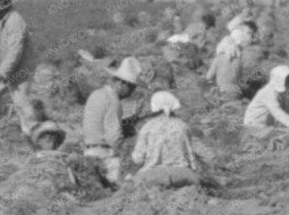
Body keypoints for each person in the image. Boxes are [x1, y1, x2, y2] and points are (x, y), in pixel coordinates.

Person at [130, 89, 208, 189]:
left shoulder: (147, 127)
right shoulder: (183, 126)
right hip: (182, 173)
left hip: (153, 175)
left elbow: (138, 159)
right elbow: (191, 155)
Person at [82, 57, 139, 185]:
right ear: (123, 84)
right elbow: (113, 137)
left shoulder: (96, 94)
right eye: (132, 89)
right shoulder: (114, 101)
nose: (131, 93)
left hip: (89, 151)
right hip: (105, 155)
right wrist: (128, 150)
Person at [244, 63, 289, 132]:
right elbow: (276, 110)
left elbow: (286, 108)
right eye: (287, 79)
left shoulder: (283, 92)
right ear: (280, 79)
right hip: (253, 124)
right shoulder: (268, 92)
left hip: (267, 123)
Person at [210, 14, 255, 99]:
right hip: (231, 89)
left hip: (222, 87)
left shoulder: (223, 49)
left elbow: (210, 75)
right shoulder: (236, 53)